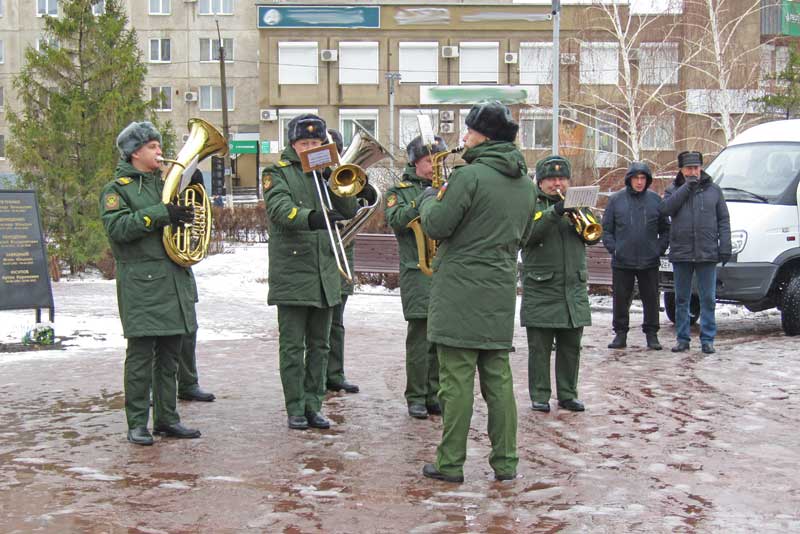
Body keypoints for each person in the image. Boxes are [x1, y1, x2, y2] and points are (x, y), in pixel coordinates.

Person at [418, 101, 536, 483]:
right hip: (500, 290)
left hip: (459, 292)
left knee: (455, 381)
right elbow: (528, 235)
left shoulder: (469, 177)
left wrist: (426, 199)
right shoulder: (526, 183)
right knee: (498, 381)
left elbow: (436, 224)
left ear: (483, 136)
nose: (463, 137)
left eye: (468, 131)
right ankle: (506, 463)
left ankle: (450, 464)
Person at [100, 121, 202, 446]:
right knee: (141, 356)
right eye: (153, 147)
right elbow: (118, 229)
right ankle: (137, 423)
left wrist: (187, 201)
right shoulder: (116, 189)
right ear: (134, 153)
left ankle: (168, 419)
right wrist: (161, 213)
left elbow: (179, 221)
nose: (160, 152)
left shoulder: (165, 184)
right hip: (142, 284)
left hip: (173, 280)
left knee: (171, 355)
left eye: (159, 146)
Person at [263, 114, 358, 430]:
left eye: (316, 143)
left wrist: (341, 183)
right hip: (293, 271)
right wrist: (312, 218)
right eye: (305, 143)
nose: (310, 148)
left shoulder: (325, 172)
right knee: (293, 346)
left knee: (320, 345)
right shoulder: (277, 173)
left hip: (324, 272)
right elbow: (279, 211)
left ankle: (314, 404)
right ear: (293, 145)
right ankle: (295, 407)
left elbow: (348, 212)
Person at [384, 135, 448, 419]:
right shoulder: (401, 190)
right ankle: (416, 396)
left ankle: (434, 394)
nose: (434, 165)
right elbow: (396, 220)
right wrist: (421, 201)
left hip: (445, 270)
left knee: (440, 338)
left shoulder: (447, 187)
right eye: (429, 160)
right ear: (415, 162)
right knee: (421, 338)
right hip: (417, 269)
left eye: (438, 160)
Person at [522, 155, 592, 414]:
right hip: (542, 286)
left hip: (572, 287)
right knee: (539, 347)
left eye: (562, 178)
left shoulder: (578, 203)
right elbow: (527, 234)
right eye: (551, 179)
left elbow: (593, 234)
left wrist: (582, 219)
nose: (557, 183)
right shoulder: (530, 203)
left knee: (571, 346)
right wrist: (555, 212)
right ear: (540, 182)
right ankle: (539, 394)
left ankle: (568, 393)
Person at [660, 151, 731, 354]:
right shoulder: (672, 190)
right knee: (681, 298)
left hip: (707, 252)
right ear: (681, 170)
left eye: (696, 168)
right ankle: (683, 339)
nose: (693, 172)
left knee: (708, 298)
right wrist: (685, 189)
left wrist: (725, 245)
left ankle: (707, 339)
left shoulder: (714, 191)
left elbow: (724, 220)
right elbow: (665, 210)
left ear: (701, 168)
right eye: (689, 168)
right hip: (681, 253)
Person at [602, 162, 670, 351]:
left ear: (647, 181)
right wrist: (614, 249)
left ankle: (652, 334)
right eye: (636, 178)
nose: (639, 182)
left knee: (651, 298)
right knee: (621, 299)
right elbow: (606, 230)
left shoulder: (656, 201)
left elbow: (666, 229)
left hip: (649, 260)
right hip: (622, 260)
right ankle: (620, 334)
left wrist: (659, 249)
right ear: (629, 179)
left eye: (643, 178)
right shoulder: (616, 200)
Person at [324, 129, 359, 394]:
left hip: (342, 255)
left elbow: (353, 211)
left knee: (336, 323)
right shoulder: (311, 178)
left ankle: (335, 373)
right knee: (316, 326)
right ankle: (314, 374)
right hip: (319, 258)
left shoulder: (343, 177)